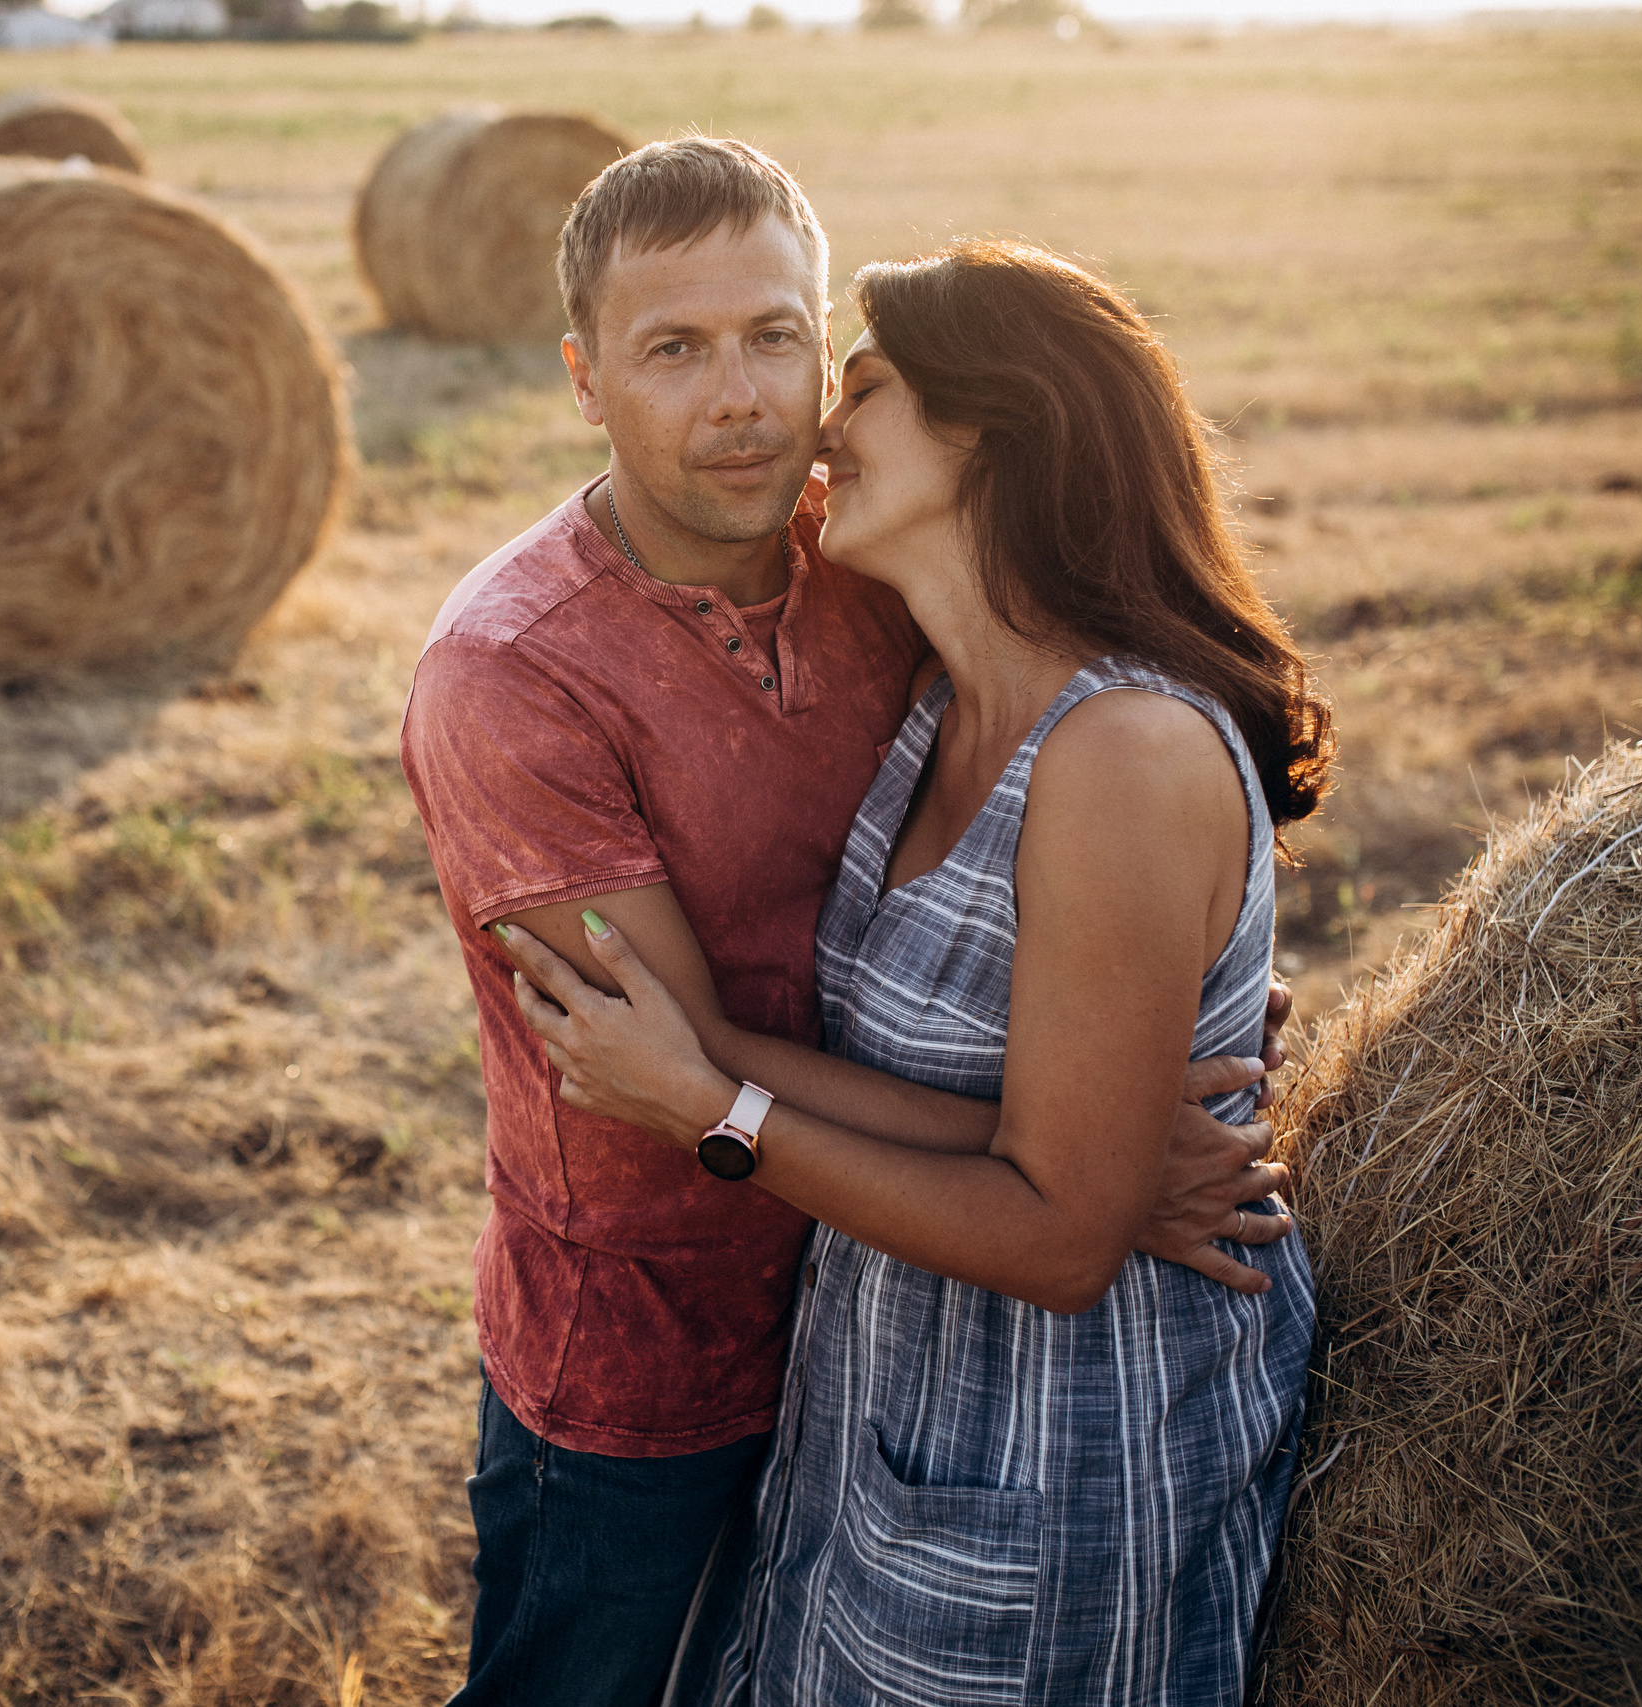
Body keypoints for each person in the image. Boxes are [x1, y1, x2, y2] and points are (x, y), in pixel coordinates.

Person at [399, 138, 1298, 1707]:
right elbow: (687, 1057)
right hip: (652, 1354)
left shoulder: (894, 587)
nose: (748, 400)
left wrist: (1112, 1090)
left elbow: (1112, 834)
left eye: (779, 340)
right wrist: (1088, 1156)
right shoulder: (509, 673)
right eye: (674, 350)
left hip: (906, 1340)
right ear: (582, 377)